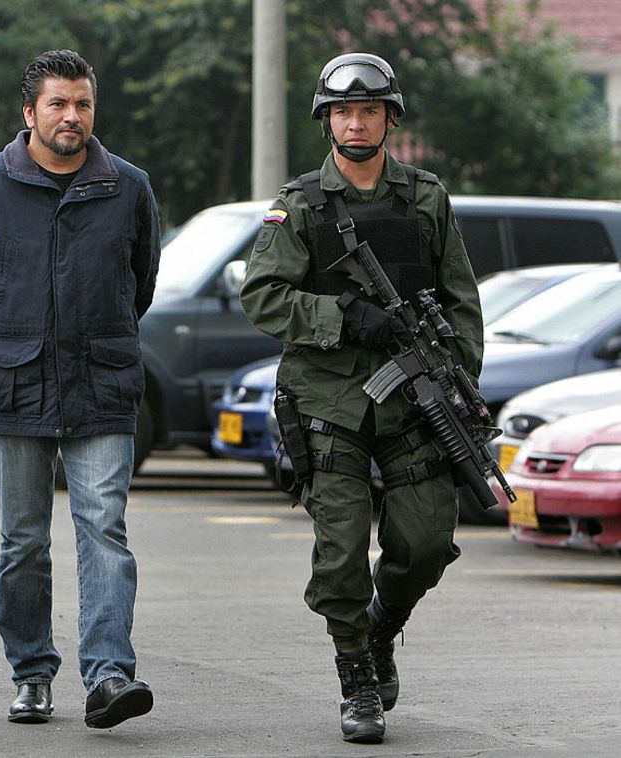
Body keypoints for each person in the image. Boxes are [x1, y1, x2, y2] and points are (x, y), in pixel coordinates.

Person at [241, 52, 483, 744]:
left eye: (368, 110)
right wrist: (342, 316)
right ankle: (357, 679)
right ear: (326, 122)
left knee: (428, 543)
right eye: (342, 111)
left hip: (415, 399)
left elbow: (462, 303)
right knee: (341, 553)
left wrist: (460, 385)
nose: (355, 123)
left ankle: (383, 628)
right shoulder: (299, 205)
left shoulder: (427, 198)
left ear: (389, 119)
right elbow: (261, 295)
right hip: (330, 402)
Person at [0, 49, 160, 729]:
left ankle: (109, 675)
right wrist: (2, 348)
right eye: (58, 103)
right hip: (15, 385)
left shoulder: (129, 187)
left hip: (103, 384)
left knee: (104, 530)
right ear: (29, 111)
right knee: (23, 541)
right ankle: (32, 672)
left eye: (83, 103)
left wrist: (99, 339)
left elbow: (139, 283)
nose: (72, 116)